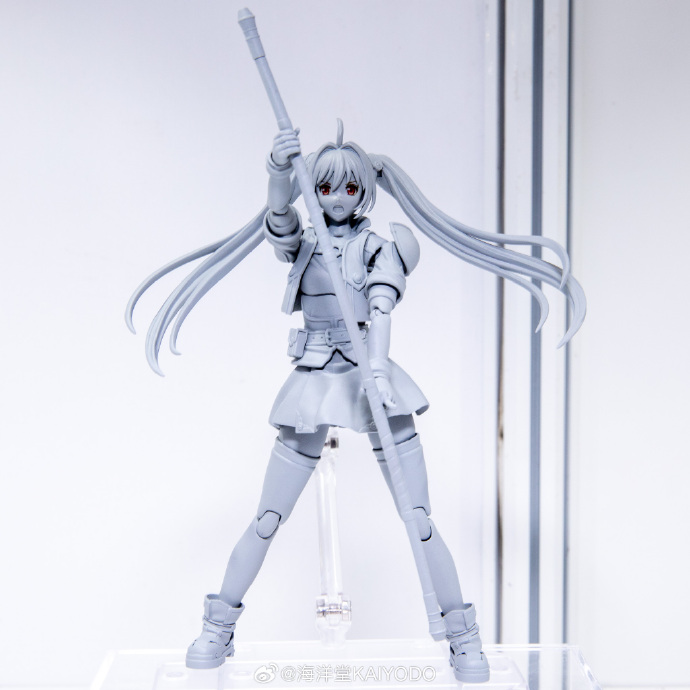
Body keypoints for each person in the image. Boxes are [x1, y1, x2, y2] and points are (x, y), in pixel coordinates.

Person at [126, 121, 585, 682]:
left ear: (364, 188)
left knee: (418, 519)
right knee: (268, 517)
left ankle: (462, 635)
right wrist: (277, 171)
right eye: (324, 188)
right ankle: (217, 626)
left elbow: (383, 309)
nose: (337, 198)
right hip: (315, 377)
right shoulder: (307, 243)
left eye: (347, 187)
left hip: (371, 378)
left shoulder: (377, 248)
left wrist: (379, 370)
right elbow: (279, 221)